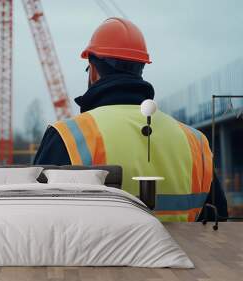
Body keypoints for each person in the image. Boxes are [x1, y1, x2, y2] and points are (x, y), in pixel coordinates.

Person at [34, 17, 223, 222]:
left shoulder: (68, 136)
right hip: (182, 253)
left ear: (94, 70)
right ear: (141, 68)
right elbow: (217, 221)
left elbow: (39, 222)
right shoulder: (196, 141)